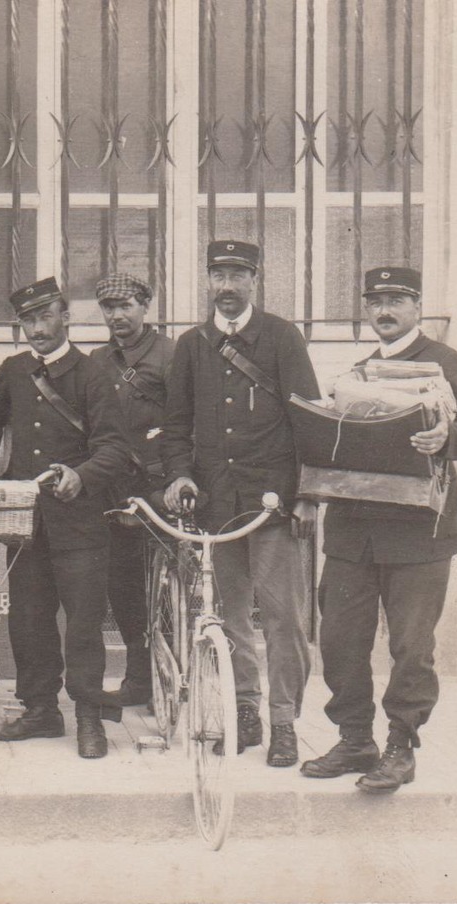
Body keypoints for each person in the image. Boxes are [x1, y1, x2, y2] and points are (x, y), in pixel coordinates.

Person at [299, 266, 457, 793]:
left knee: (410, 644)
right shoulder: (357, 372)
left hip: (419, 532)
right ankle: (356, 738)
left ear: (417, 306)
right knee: (339, 639)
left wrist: (448, 436)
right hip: (354, 531)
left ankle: (401, 746)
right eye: (375, 301)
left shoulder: (445, 362)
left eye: (396, 301)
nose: (384, 310)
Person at [159, 240, 321, 767]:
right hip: (216, 503)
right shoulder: (192, 344)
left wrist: (306, 497)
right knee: (229, 617)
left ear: (255, 279)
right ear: (207, 281)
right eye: (217, 275)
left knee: (283, 617)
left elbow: (309, 422)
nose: (226, 287)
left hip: (273, 502)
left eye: (237, 275)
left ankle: (284, 721)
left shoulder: (280, 337)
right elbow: (177, 425)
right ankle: (245, 709)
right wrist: (180, 475)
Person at [0, 277, 132, 759]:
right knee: (29, 618)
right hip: (25, 520)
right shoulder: (13, 370)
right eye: (27, 320)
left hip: (80, 521)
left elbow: (115, 448)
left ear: (66, 318)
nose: (37, 329)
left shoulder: (93, 373)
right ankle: (41, 710)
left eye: (45, 317)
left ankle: (87, 714)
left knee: (82, 622)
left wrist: (81, 475)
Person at [86, 273, 176, 709]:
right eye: (109, 308)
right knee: (122, 586)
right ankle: (140, 678)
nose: (118, 315)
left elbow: (185, 421)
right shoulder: (97, 360)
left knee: (169, 585)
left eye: (126, 305)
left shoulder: (171, 355)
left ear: (146, 306)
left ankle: (173, 677)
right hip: (114, 489)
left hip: (160, 488)